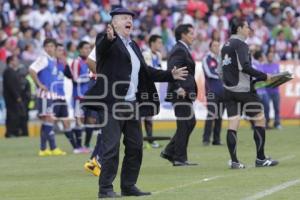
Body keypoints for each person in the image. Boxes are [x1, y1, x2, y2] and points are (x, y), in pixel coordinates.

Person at [82, 8, 188, 198]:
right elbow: (103, 46)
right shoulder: (106, 39)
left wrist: (169, 75)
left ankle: (128, 186)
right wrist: (109, 38)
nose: (128, 21)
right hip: (112, 104)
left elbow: (146, 71)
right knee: (111, 148)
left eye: (130, 18)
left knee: (135, 146)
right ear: (113, 23)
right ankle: (105, 188)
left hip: (131, 105)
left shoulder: (133, 46)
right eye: (124, 18)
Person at [219, 20, 278, 169]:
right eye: (246, 27)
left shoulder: (225, 45)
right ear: (239, 29)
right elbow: (245, 67)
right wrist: (265, 76)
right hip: (244, 91)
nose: (249, 29)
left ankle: (234, 161)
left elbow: (220, 71)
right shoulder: (241, 45)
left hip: (228, 90)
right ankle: (260, 159)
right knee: (260, 120)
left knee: (232, 125)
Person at [161, 24, 198, 167]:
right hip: (181, 92)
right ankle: (179, 158)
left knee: (189, 122)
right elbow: (172, 70)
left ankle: (170, 151)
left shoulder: (182, 49)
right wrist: (177, 88)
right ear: (183, 34)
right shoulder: (179, 50)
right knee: (184, 124)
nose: (193, 36)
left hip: (185, 92)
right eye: (191, 33)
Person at [29, 38, 66, 156]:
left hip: (51, 95)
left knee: (47, 121)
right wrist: (39, 84)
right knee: (49, 120)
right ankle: (49, 148)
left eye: (51, 46)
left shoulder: (52, 60)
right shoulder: (44, 59)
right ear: (44, 48)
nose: (49, 48)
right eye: (47, 46)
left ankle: (45, 149)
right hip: (44, 95)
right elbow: (32, 70)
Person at [68, 41, 96, 153]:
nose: (87, 50)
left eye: (89, 48)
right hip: (79, 96)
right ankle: (78, 147)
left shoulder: (91, 62)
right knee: (79, 120)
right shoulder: (76, 62)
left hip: (90, 96)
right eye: (85, 48)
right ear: (79, 50)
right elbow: (75, 78)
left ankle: (87, 145)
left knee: (91, 120)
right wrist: (89, 76)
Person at [142, 34, 163, 149]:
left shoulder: (158, 55)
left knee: (149, 115)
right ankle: (138, 141)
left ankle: (150, 140)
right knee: (141, 115)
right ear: (152, 43)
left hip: (154, 89)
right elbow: (148, 71)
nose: (161, 45)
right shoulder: (146, 54)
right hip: (145, 89)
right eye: (159, 42)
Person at [202, 40, 224, 146]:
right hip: (211, 91)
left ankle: (216, 139)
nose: (217, 47)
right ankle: (206, 139)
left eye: (218, 45)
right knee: (211, 115)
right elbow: (209, 73)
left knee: (219, 116)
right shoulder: (207, 59)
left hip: (222, 91)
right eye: (214, 46)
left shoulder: (222, 59)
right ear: (210, 47)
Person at [3, 55, 24, 138]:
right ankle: (10, 132)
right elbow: (11, 86)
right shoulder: (8, 71)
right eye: (15, 60)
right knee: (12, 115)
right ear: (11, 61)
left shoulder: (13, 71)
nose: (17, 62)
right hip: (11, 98)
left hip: (15, 97)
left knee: (16, 115)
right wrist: (17, 96)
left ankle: (15, 131)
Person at [263, 50, 281, 129]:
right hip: (266, 91)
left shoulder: (276, 66)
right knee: (266, 108)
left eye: (271, 56)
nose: (270, 57)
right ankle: (266, 123)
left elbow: (279, 77)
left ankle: (277, 123)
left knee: (276, 108)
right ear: (267, 57)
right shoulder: (263, 66)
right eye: (269, 56)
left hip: (276, 90)